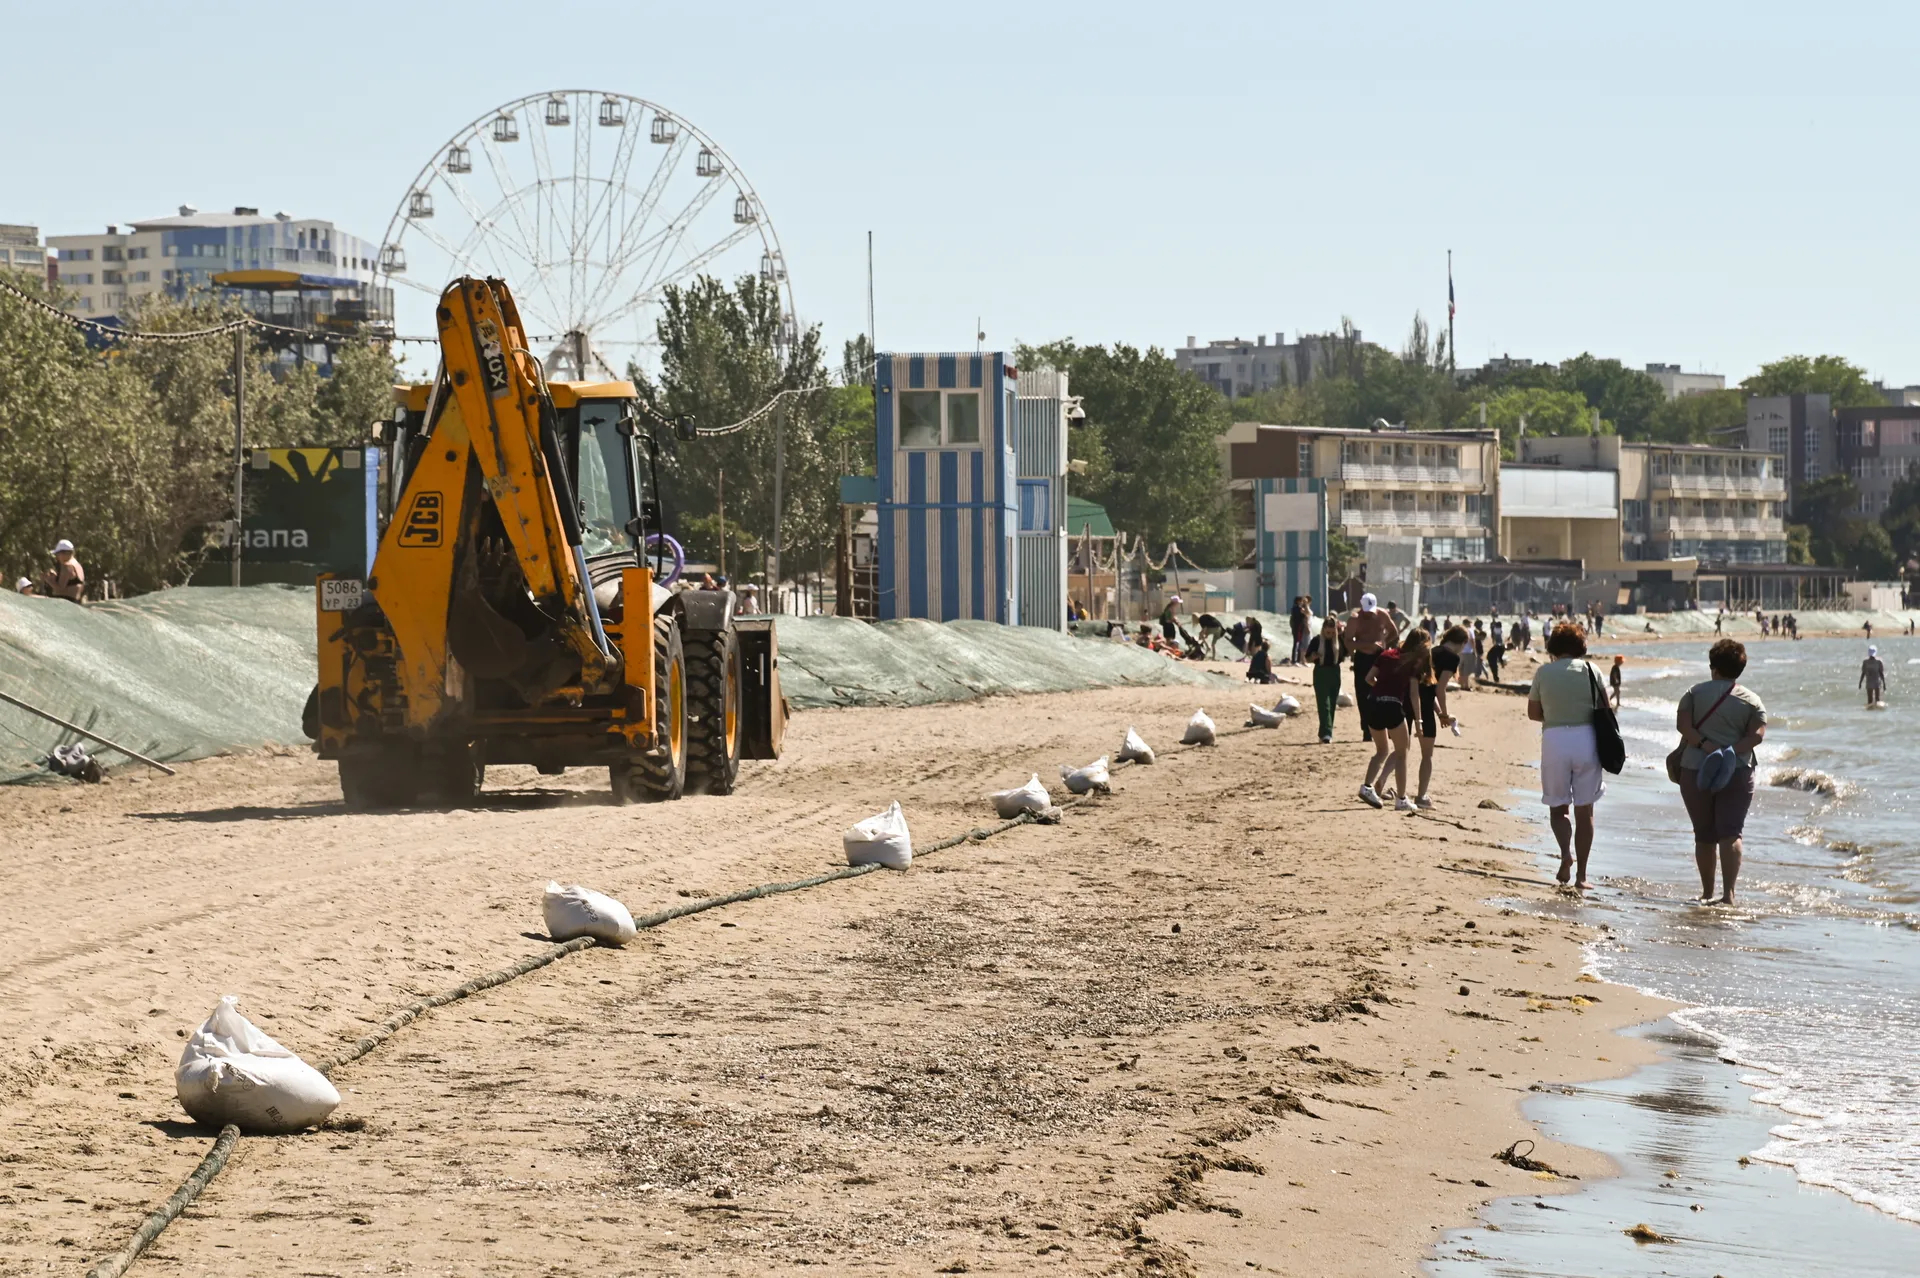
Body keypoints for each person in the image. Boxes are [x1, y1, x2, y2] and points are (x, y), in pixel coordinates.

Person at [1676, 639, 1767, 905]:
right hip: (1737, 769)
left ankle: (1706, 893)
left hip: (1695, 768)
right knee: (1731, 833)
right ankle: (1728, 895)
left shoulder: (1694, 693)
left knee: (1704, 834)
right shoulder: (1752, 700)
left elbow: (1683, 726)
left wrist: (1707, 745)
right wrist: (1731, 750)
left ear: (1713, 666)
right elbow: (1758, 735)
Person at [1527, 622, 1606, 892]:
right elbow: (1604, 708)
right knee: (1585, 811)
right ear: (1580, 646)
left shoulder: (1543, 672)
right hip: (1587, 739)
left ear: (1554, 647)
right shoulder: (1592, 670)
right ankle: (1582, 876)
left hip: (1555, 740)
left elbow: (1533, 713)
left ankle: (1565, 855)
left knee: (1558, 808)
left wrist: (1556, 715)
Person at [1360, 635, 1421, 810]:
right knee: (1402, 752)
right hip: (1392, 705)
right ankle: (1401, 799)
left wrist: (1382, 687)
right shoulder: (1412, 662)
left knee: (1381, 751)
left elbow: (1369, 678)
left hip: (1373, 704)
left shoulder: (1386, 655)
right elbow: (1414, 695)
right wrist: (1419, 721)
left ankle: (1367, 787)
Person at [1341, 593, 1399, 745]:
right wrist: (1367, 645)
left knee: (1384, 691)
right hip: (1363, 658)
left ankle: (1386, 726)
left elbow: (1394, 632)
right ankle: (1367, 729)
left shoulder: (1382, 615)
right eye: (1366, 610)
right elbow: (1348, 642)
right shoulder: (1354, 619)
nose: (1368, 613)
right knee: (1363, 694)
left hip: (1380, 657)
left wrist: (1384, 642)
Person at [1409, 628, 1452, 808]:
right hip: (1422, 712)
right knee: (1427, 756)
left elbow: (1423, 695)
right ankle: (1421, 796)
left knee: (1399, 752)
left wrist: (1440, 712)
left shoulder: (1405, 661)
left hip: (1404, 709)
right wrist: (1420, 721)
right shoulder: (1424, 663)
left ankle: (1381, 786)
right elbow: (1421, 695)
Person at [1305, 616, 1344, 744]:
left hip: (1335, 672)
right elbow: (1307, 658)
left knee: (1332, 703)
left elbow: (1344, 655)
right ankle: (1327, 733)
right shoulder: (1316, 640)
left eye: (1333, 633)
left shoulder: (1339, 641)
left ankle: (1325, 733)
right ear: (1323, 630)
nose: (1330, 635)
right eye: (1328, 632)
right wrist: (1314, 656)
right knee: (1324, 704)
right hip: (1321, 673)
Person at [34, 539, 86, 603]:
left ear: (65, 553)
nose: (57, 557)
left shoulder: (67, 566)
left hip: (65, 602)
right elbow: (70, 583)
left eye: (58, 554)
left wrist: (47, 579)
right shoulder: (77, 565)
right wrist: (55, 577)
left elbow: (59, 589)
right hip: (75, 602)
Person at [1245, 618, 1275, 682]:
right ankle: (1293, 681)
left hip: (1251, 674)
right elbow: (1269, 671)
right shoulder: (1267, 656)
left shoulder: (1255, 655)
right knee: (1277, 677)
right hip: (1261, 675)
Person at [1289, 596, 1311, 664]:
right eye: (1301, 601)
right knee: (1297, 643)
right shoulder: (1298, 608)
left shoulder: (1294, 608)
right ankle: (1295, 660)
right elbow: (1306, 614)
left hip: (1296, 628)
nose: (1302, 602)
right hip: (1298, 628)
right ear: (1298, 601)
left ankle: (1296, 660)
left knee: (1297, 643)